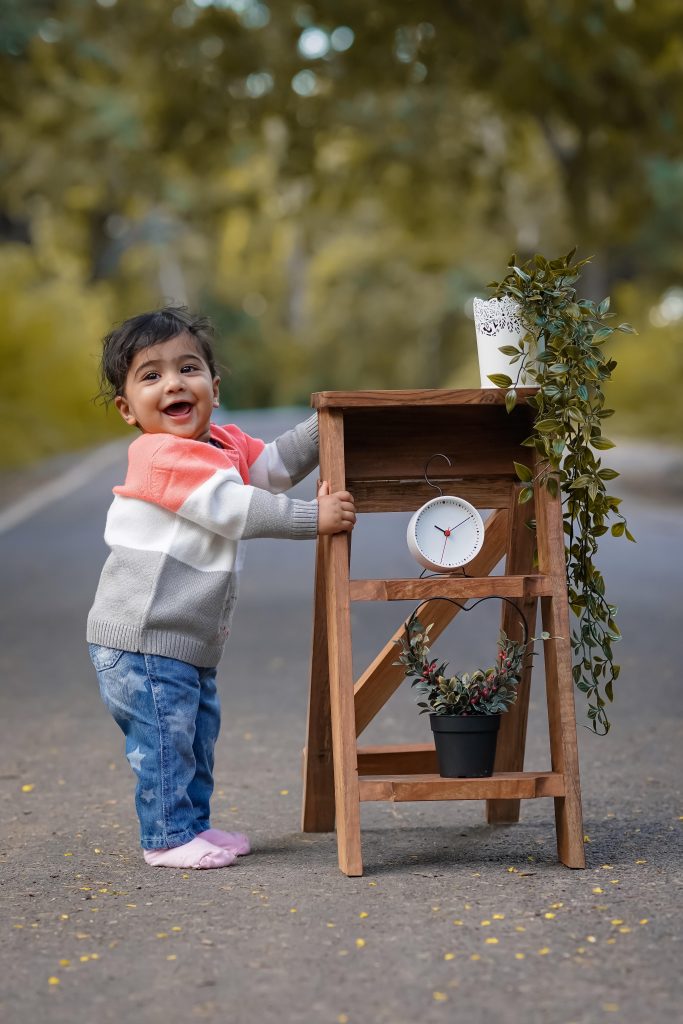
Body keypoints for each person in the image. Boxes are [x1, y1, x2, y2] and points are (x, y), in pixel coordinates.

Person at [86, 306, 355, 869]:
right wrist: (313, 518)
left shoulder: (222, 445)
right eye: (151, 376)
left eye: (188, 368)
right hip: (142, 636)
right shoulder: (160, 456)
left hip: (182, 636)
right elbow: (235, 508)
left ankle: (192, 825)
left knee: (195, 734)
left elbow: (274, 467)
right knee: (165, 740)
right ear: (127, 410)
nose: (174, 384)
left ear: (214, 384)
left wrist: (329, 420)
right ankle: (165, 838)